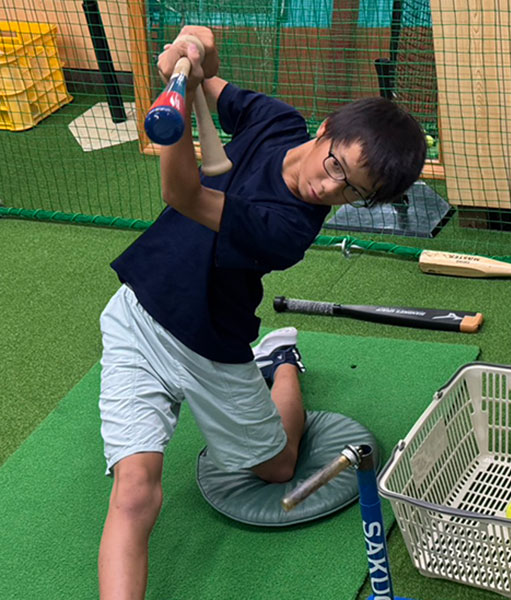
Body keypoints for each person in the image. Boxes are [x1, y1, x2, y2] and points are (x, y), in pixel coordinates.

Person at [97, 25, 426, 599]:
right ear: (325, 129)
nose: (331, 189)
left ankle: (280, 360)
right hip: (137, 317)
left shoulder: (290, 230)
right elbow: (210, 77)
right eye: (336, 167)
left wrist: (170, 110)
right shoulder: (277, 120)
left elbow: (184, 194)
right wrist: (191, 54)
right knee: (135, 492)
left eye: (353, 193)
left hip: (212, 345)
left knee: (277, 467)